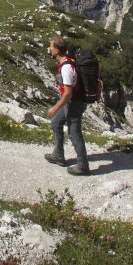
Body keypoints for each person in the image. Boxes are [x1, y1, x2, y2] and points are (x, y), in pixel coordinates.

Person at [44, 35, 90, 176]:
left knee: (74, 133)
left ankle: (83, 166)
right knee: (56, 122)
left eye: (51, 47)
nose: (49, 49)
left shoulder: (66, 68)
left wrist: (55, 107)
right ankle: (58, 155)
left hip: (75, 102)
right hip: (71, 101)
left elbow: (68, 93)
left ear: (57, 50)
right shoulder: (67, 61)